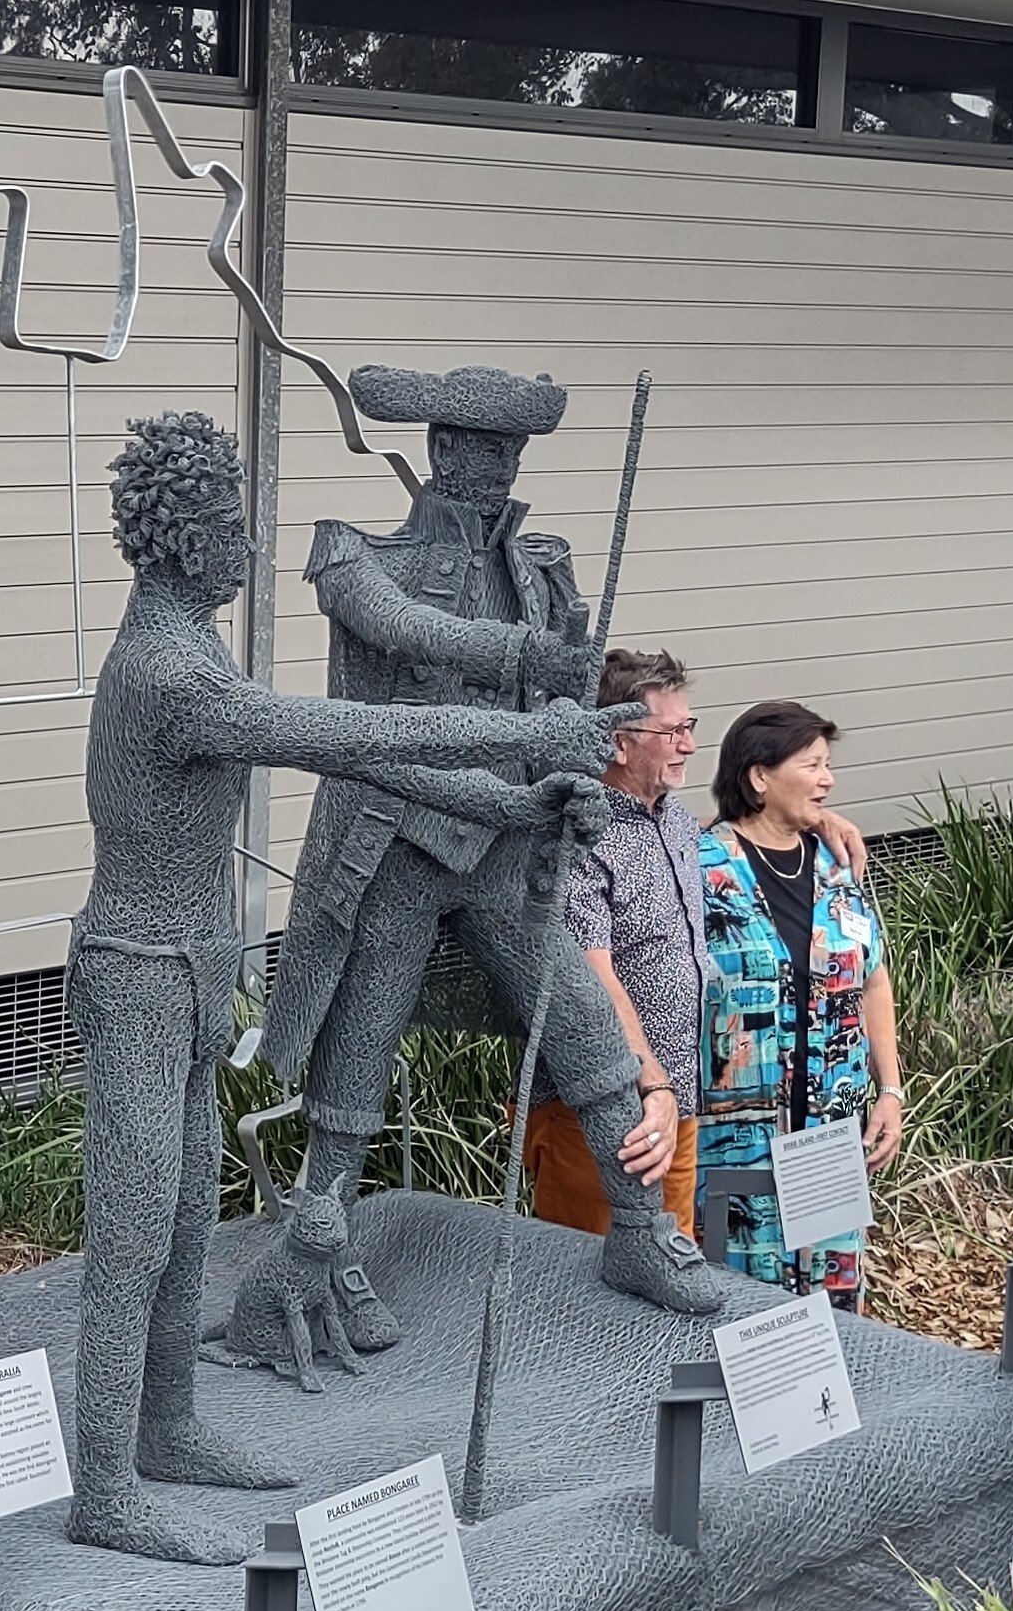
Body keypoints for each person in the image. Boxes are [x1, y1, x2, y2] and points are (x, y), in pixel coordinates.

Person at [68, 410, 623, 1564]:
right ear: (177, 538)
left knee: (178, 1220)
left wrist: (517, 802)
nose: (244, 545)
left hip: (193, 968)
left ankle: (163, 1424)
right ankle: (104, 1490)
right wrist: (526, 726)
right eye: (226, 524)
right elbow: (341, 729)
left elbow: (370, 758)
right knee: (131, 1237)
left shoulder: (200, 647)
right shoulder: (170, 671)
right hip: (134, 975)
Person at [256, 363, 722, 1342]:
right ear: (437, 447)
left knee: (589, 1027)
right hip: (398, 841)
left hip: (507, 845)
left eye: (508, 450)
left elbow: (563, 717)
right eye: (475, 447)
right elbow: (404, 631)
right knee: (361, 1047)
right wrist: (527, 665)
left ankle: (637, 1227)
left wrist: (578, 787)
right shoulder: (352, 558)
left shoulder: (542, 571)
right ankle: (323, 1244)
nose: (494, 467)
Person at [526, 652, 871, 1245]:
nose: (689, 745)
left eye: (691, 728)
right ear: (619, 742)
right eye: (673, 731)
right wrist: (650, 1085)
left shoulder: (677, 826)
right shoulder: (576, 834)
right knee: (588, 1285)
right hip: (603, 1106)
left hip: (676, 1106)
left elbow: (748, 840)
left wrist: (815, 820)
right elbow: (591, 976)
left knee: (671, 1275)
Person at [698, 700, 904, 1310]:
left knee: (831, 1308)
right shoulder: (697, 864)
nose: (828, 778)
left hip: (830, 1133)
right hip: (736, 1138)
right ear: (759, 777)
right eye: (811, 765)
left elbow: (873, 979)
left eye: (827, 765)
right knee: (739, 1313)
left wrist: (889, 1090)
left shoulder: (838, 866)